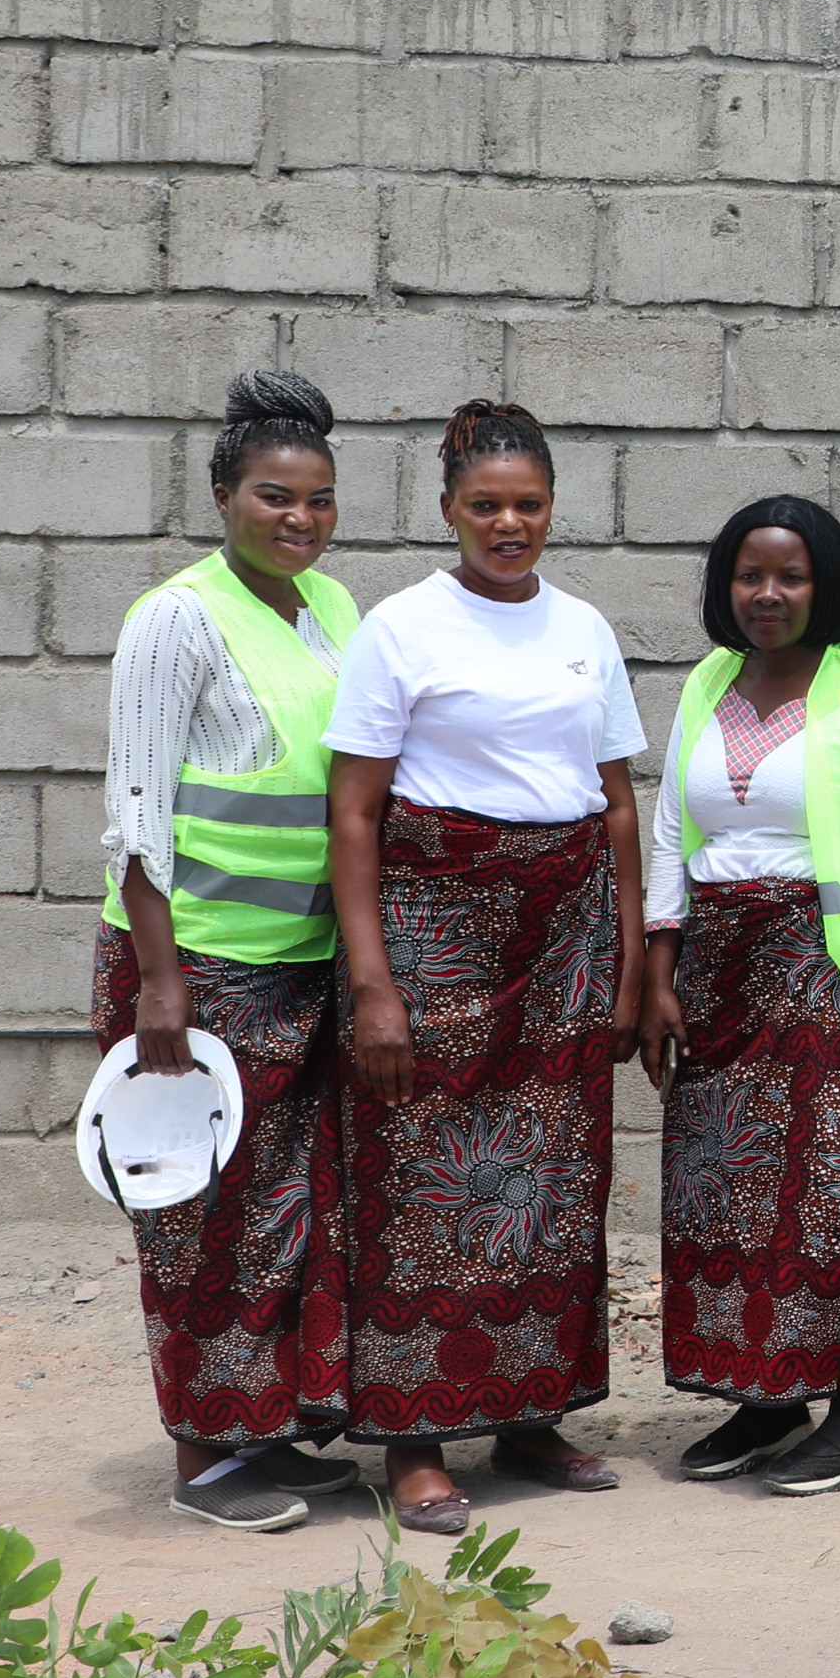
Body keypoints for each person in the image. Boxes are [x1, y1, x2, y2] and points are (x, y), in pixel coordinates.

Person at [325, 401, 648, 1538]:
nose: (509, 524)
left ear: (554, 506)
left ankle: (531, 1414)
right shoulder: (399, 629)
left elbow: (615, 806)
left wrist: (629, 961)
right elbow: (356, 816)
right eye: (486, 506)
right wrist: (374, 983)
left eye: (528, 504)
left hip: (562, 943)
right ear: (448, 509)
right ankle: (415, 1437)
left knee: (553, 1183)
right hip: (434, 932)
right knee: (422, 1180)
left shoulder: (585, 630)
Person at [96, 370, 360, 1532]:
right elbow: (138, 813)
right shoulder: (176, 620)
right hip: (196, 972)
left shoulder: (338, 612)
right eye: (272, 496)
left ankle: (266, 1431)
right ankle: (204, 1457)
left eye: (317, 500)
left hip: (304, 968)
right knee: (202, 1213)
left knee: (287, 1212)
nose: (296, 519)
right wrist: (160, 981)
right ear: (220, 495)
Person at [640, 498, 840, 1499]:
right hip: (718, 971)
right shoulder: (707, 682)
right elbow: (667, 828)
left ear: (828, 586)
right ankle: (768, 1394)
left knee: (831, 1194)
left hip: (826, 969)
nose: (767, 595)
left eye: (792, 577)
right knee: (725, 1191)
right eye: (749, 576)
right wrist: (658, 969)